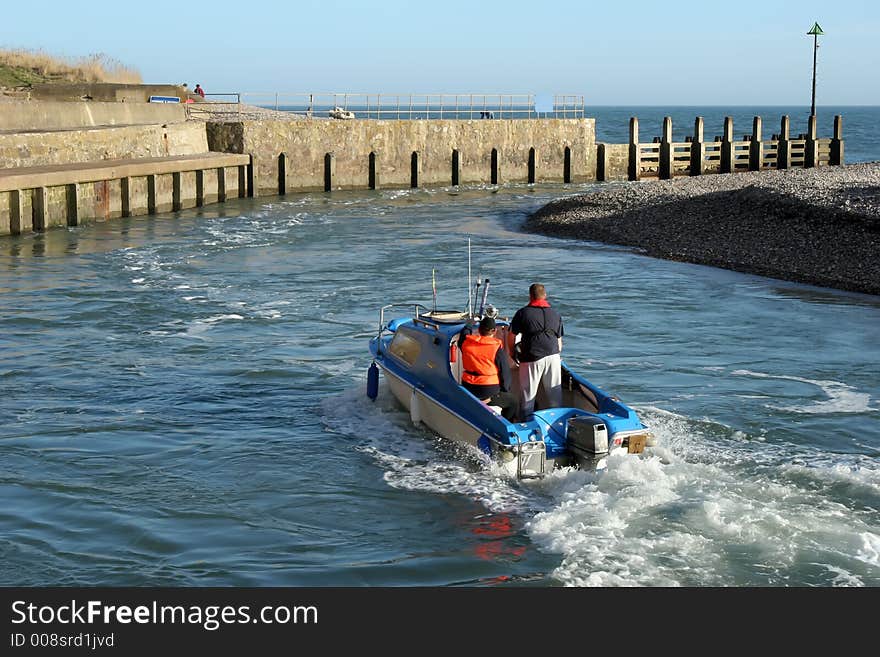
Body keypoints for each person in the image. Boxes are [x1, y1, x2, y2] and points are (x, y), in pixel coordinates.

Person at [510, 283, 564, 417]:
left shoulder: (523, 313)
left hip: (531, 358)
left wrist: (512, 353)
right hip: (553, 356)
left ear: (530, 296)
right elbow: (559, 342)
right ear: (545, 295)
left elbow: (511, 336)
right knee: (555, 396)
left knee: (528, 397)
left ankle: (526, 425)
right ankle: (557, 423)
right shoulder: (555, 314)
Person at [458, 316, 519, 422]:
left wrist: (468, 325)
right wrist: (504, 391)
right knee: (512, 402)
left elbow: (463, 335)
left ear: (479, 330)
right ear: (494, 331)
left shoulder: (465, 343)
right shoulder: (497, 349)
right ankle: (506, 423)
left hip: (468, 387)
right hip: (488, 391)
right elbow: (505, 374)